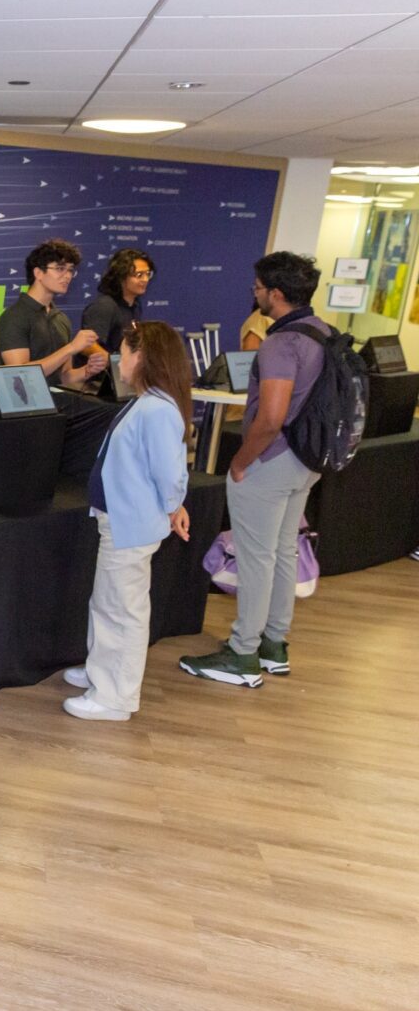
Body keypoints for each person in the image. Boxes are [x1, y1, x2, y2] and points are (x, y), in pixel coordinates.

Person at [181, 253, 329, 688]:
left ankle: (242, 654)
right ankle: (273, 646)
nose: (255, 293)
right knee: (282, 551)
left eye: (259, 287)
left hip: (271, 461)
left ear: (276, 294)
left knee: (256, 557)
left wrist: (241, 460)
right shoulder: (323, 332)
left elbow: (272, 416)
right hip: (305, 459)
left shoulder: (280, 343)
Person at [60, 322, 192, 721]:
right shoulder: (147, 402)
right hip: (120, 519)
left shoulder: (157, 408)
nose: (118, 360)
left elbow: (169, 473)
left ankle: (114, 697)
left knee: (122, 609)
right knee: (107, 602)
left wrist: (174, 505)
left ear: (143, 357)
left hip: (131, 523)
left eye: (125, 352)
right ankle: (101, 670)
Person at [0, 238, 107, 388]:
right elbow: (20, 376)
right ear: (38, 273)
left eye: (70, 270)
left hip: (57, 399)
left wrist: (87, 371)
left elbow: (64, 377)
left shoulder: (60, 318)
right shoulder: (13, 318)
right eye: (60, 268)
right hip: (26, 401)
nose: (67, 276)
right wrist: (71, 348)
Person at [82, 248, 155, 354]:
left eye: (148, 274)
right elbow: (88, 346)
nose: (145, 279)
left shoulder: (135, 306)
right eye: (139, 275)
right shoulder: (104, 306)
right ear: (121, 276)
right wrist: (115, 362)